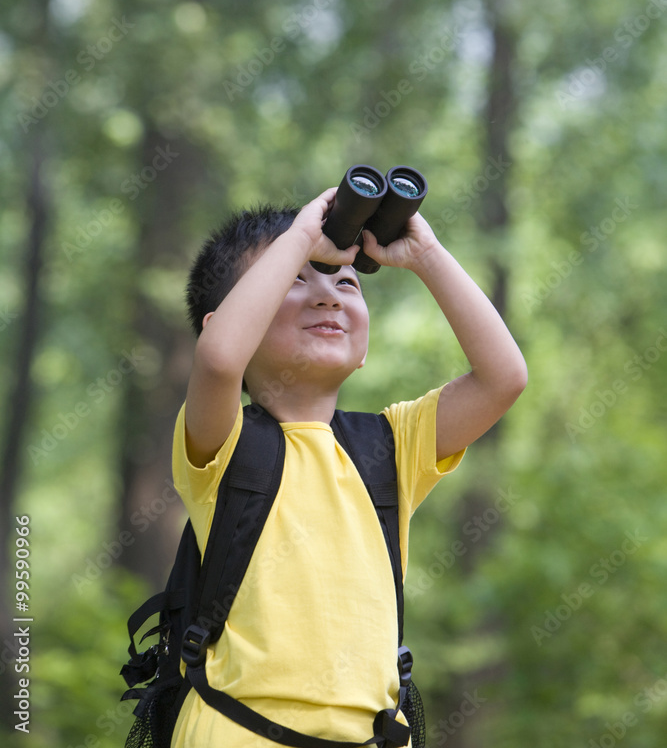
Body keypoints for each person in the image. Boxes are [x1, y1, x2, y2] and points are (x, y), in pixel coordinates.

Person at [171, 186, 528, 748]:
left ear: (363, 349)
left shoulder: (391, 446)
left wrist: (426, 256)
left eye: (346, 281)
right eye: (295, 278)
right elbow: (217, 359)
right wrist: (299, 238)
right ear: (230, 320)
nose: (329, 295)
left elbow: (503, 377)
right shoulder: (224, 443)